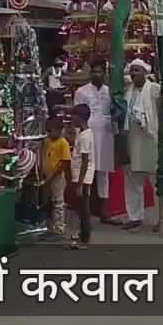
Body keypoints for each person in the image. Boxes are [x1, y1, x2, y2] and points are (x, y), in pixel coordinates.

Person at [73, 61, 117, 224]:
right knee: (87, 169)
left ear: (105, 74)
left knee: (103, 172)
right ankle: (86, 209)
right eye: (94, 71)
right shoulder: (81, 91)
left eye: (100, 72)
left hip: (106, 134)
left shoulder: (110, 91)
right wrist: (77, 136)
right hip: (88, 135)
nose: (97, 75)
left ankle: (104, 211)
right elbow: (77, 115)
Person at [122, 59, 161, 230]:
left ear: (145, 72)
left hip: (151, 140)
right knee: (132, 180)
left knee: (158, 181)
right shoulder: (127, 91)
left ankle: (162, 218)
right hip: (132, 140)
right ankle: (134, 216)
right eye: (132, 70)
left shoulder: (155, 89)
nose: (133, 73)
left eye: (137, 70)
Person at [68, 104, 95, 249]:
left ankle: (85, 237)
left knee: (83, 207)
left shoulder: (85, 137)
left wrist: (79, 183)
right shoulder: (84, 133)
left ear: (80, 118)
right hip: (81, 175)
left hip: (82, 177)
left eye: (74, 116)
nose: (72, 119)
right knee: (82, 206)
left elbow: (85, 161)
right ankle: (83, 233)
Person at [43, 117, 72, 239]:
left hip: (57, 177)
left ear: (59, 130)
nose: (49, 133)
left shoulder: (63, 143)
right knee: (49, 202)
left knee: (58, 202)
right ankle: (50, 227)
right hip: (48, 176)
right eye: (47, 131)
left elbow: (65, 162)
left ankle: (59, 228)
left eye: (51, 131)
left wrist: (52, 175)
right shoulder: (48, 141)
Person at [44, 53, 68, 118]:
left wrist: (65, 89)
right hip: (51, 93)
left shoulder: (62, 71)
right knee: (52, 111)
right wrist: (47, 89)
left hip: (60, 93)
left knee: (60, 111)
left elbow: (66, 82)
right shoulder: (50, 70)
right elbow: (42, 81)